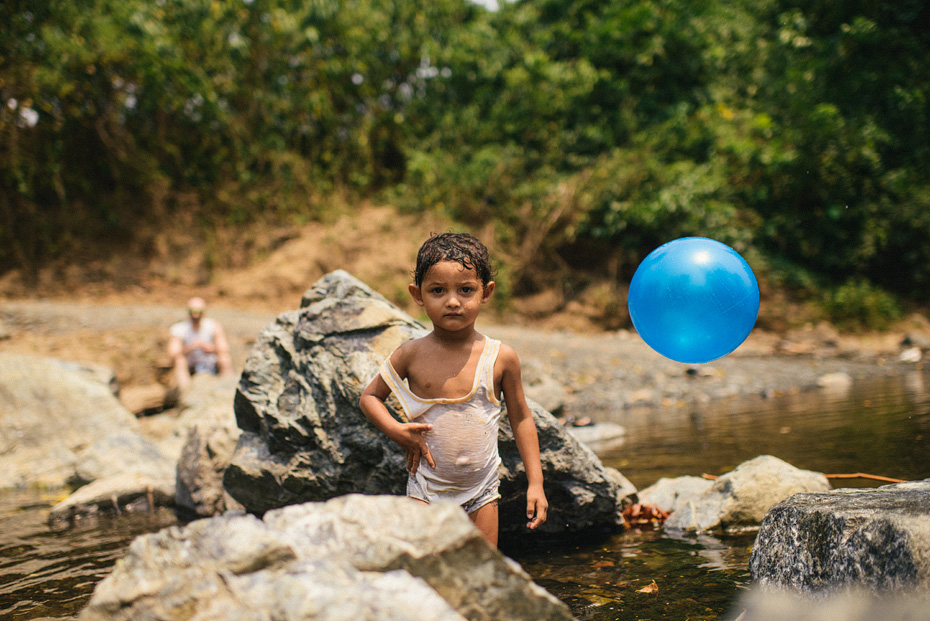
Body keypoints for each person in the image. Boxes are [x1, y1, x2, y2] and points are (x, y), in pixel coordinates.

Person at [359, 233, 548, 546]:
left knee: (481, 575)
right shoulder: (411, 354)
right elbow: (370, 398)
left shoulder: (500, 357)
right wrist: (398, 431)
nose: (452, 301)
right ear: (417, 294)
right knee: (424, 573)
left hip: (481, 494)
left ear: (486, 293)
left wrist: (536, 483)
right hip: (425, 491)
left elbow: (522, 418)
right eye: (437, 290)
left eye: (465, 290)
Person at [168, 297, 232, 390]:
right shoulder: (179, 329)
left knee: (224, 358)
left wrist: (212, 349)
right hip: (190, 367)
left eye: (199, 312)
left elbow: (225, 349)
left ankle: (228, 390)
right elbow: (172, 355)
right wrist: (190, 348)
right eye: (192, 311)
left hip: (210, 365)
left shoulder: (213, 326)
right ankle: (185, 393)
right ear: (188, 312)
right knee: (179, 361)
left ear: (204, 312)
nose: (196, 315)